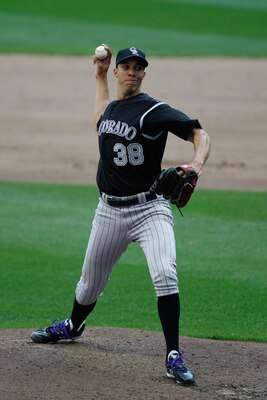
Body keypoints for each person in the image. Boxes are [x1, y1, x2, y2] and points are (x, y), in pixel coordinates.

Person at [30, 45, 211, 385]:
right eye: (125, 66)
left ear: (143, 73)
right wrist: (98, 77)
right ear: (117, 72)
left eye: (137, 67)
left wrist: (195, 165)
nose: (131, 71)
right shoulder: (112, 108)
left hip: (149, 210)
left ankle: (172, 355)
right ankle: (73, 326)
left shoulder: (153, 110)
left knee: (164, 273)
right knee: (88, 288)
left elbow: (200, 134)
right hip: (108, 212)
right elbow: (101, 118)